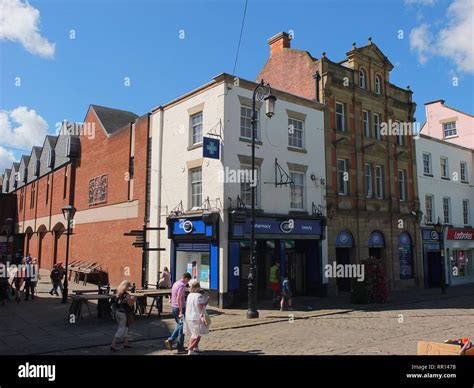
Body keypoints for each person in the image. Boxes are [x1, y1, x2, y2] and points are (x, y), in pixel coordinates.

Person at [164, 272, 192, 353]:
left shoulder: (176, 283)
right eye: (188, 280)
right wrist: (181, 310)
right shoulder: (182, 286)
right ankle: (180, 347)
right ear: (186, 278)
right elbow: (179, 298)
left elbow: (173, 294)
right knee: (182, 328)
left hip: (173, 306)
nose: (188, 283)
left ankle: (170, 340)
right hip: (179, 307)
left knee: (179, 325)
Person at [184, 281, 209, 355]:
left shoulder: (189, 295)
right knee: (195, 334)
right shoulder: (199, 296)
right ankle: (190, 349)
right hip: (196, 316)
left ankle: (195, 347)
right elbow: (202, 306)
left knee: (197, 333)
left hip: (189, 316)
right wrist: (207, 300)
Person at [110, 280, 136, 351]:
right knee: (121, 329)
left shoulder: (117, 292)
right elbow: (130, 304)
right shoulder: (126, 295)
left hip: (117, 312)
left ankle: (126, 343)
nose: (129, 288)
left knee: (125, 328)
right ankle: (113, 344)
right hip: (124, 313)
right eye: (128, 286)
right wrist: (133, 299)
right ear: (126, 286)